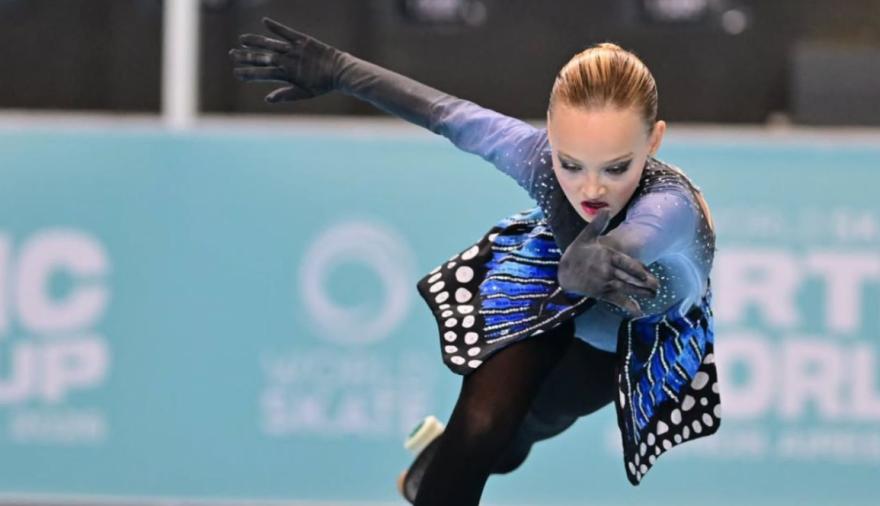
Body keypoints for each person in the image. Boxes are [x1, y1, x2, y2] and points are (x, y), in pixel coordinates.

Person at [231, 17, 720, 506]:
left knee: (527, 429)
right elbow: (446, 114)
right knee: (483, 421)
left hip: (626, 332)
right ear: (550, 135)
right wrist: (339, 70)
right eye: (569, 163)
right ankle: (448, 459)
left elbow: (624, 246)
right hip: (544, 278)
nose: (591, 189)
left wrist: (593, 261)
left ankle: (445, 456)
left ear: (653, 141)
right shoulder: (534, 158)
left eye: (616, 167)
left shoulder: (670, 206)